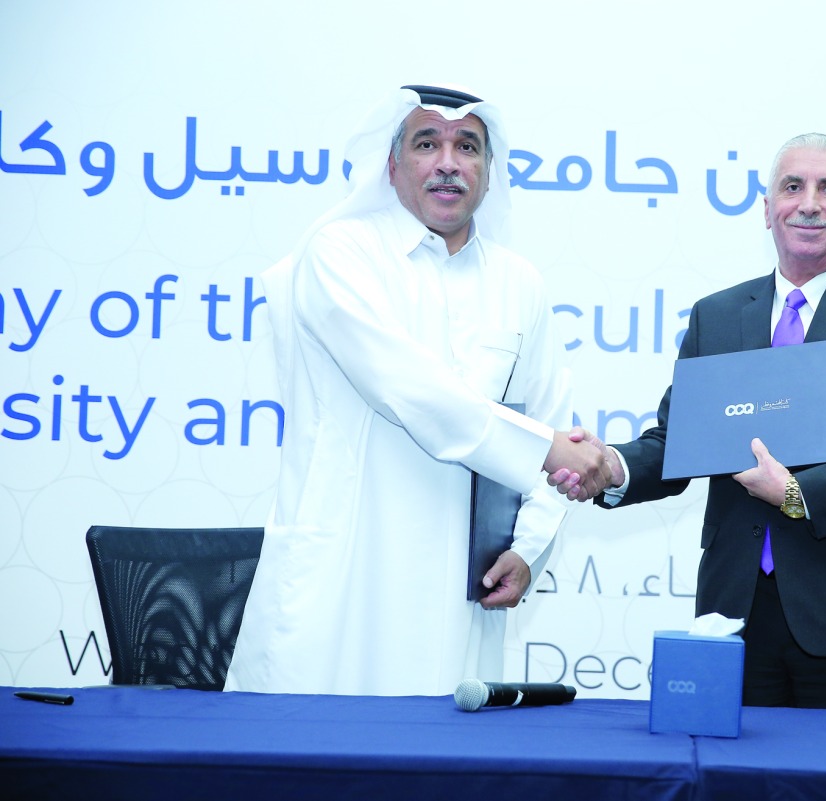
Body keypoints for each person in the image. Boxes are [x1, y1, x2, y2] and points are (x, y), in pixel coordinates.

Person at [225, 85, 608, 696]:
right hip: (346, 571)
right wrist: (549, 451)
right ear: (393, 164)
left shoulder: (519, 282)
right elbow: (410, 390)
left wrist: (529, 551)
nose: (449, 162)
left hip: (459, 590)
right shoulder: (340, 253)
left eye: (468, 146)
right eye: (427, 143)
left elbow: (550, 418)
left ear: (489, 171)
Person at [558, 133, 826, 711]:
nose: (810, 203)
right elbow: (679, 442)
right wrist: (609, 467)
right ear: (767, 209)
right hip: (734, 618)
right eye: (792, 187)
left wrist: (798, 493)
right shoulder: (717, 317)